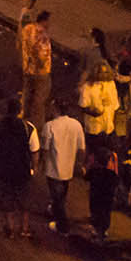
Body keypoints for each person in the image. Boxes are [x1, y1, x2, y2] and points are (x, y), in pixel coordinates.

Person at [0, 97, 39, 240]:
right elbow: (34, 151)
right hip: (22, 169)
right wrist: (34, 168)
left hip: (3, 168)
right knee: (24, 200)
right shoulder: (28, 128)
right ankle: (24, 229)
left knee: (6, 199)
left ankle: (10, 228)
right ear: (20, 111)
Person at [42, 99, 85, 233]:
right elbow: (81, 148)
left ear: (55, 109)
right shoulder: (76, 125)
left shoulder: (49, 126)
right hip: (69, 168)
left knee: (58, 197)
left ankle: (62, 226)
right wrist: (79, 164)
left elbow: (45, 149)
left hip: (53, 168)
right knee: (62, 194)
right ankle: (54, 211)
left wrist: (42, 163)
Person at [79, 60, 120, 154]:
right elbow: (82, 106)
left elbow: (115, 106)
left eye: (106, 72)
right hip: (94, 129)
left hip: (109, 128)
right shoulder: (87, 86)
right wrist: (93, 112)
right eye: (101, 72)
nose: (104, 75)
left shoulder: (111, 84)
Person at [20, 10, 53, 125]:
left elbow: (22, 44)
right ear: (44, 21)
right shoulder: (42, 34)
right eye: (49, 22)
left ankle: (25, 120)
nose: (49, 25)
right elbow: (41, 56)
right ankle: (37, 125)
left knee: (27, 96)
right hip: (40, 73)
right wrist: (42, 66)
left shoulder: (27, 29)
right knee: (39, 100)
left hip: (27, 70)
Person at [84, 145, 119, 241]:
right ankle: (103, 231)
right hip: (107, 199)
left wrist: (90, 165)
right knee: (106, 214)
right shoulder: (111, 174)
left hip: (95, 198)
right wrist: (115, 164)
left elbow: (86, 177)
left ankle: (95, 230)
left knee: (95, 212)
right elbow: (116, 179)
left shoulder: (94, 171)